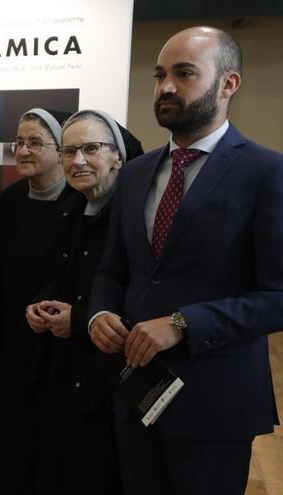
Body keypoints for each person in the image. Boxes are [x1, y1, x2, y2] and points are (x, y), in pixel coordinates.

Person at [88, 26, 283, 495]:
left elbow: (278, 296)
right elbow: (113, 269)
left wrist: (182, 323)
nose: (166, 87)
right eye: (159, 76)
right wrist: (98, 314)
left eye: (184, 73)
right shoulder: (134, 174)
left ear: (228, 84)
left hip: (215, 401)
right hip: (137, 393)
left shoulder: (267, 172)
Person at [25, 109, 143, 494]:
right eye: (69, 150)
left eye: (90, 149)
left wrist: (78, 321)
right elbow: (59, 279)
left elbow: (142, 297)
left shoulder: (138, 217)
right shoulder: (69, 210)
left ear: (119, 157)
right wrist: (41, 306)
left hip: (114, 379)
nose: (77, 161)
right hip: (65, 374)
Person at [0, 107, 75, 494]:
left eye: (34, 143)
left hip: (62, 342)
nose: (22, 150)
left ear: (60, 151)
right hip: (11, 340)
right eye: (19, 142)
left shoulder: (80, 204)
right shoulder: (5, 203)